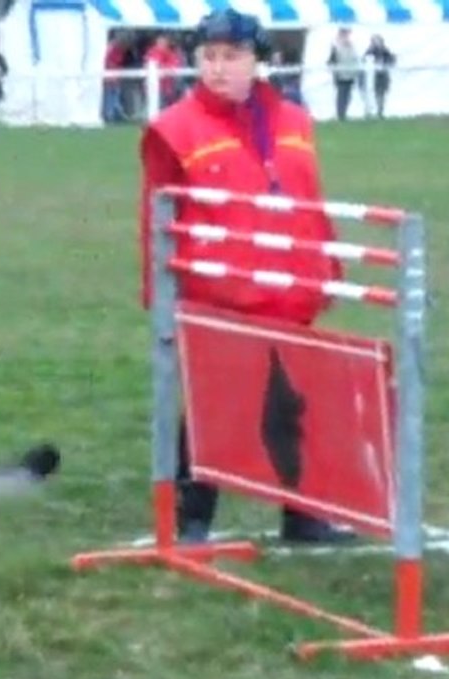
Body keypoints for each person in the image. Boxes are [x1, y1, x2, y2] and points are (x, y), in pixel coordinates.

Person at [138, 8, 355, 545]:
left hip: (291, 290)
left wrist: (325, 267)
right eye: (208, 57)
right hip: (223, 295)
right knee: (216, 410)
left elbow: (310, 196)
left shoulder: (296, 122)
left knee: (295, 404)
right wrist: (159, 294)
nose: (218, 68)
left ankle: (304, 516)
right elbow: (155, 219)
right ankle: (193, 521)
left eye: (231, 56)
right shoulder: (174, 130)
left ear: (259, 60)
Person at [363, 34, 395, 118]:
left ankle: (380, 110)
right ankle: (372, 111)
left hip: (383, 74)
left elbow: (391, 60)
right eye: (375, 41)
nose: (377, 43)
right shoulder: (370, 51)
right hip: (374, 75)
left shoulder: (385, 50)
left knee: (382, 93)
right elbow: (365, 59)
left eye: (378, 41)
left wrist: (388, 61)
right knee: (375, 92)